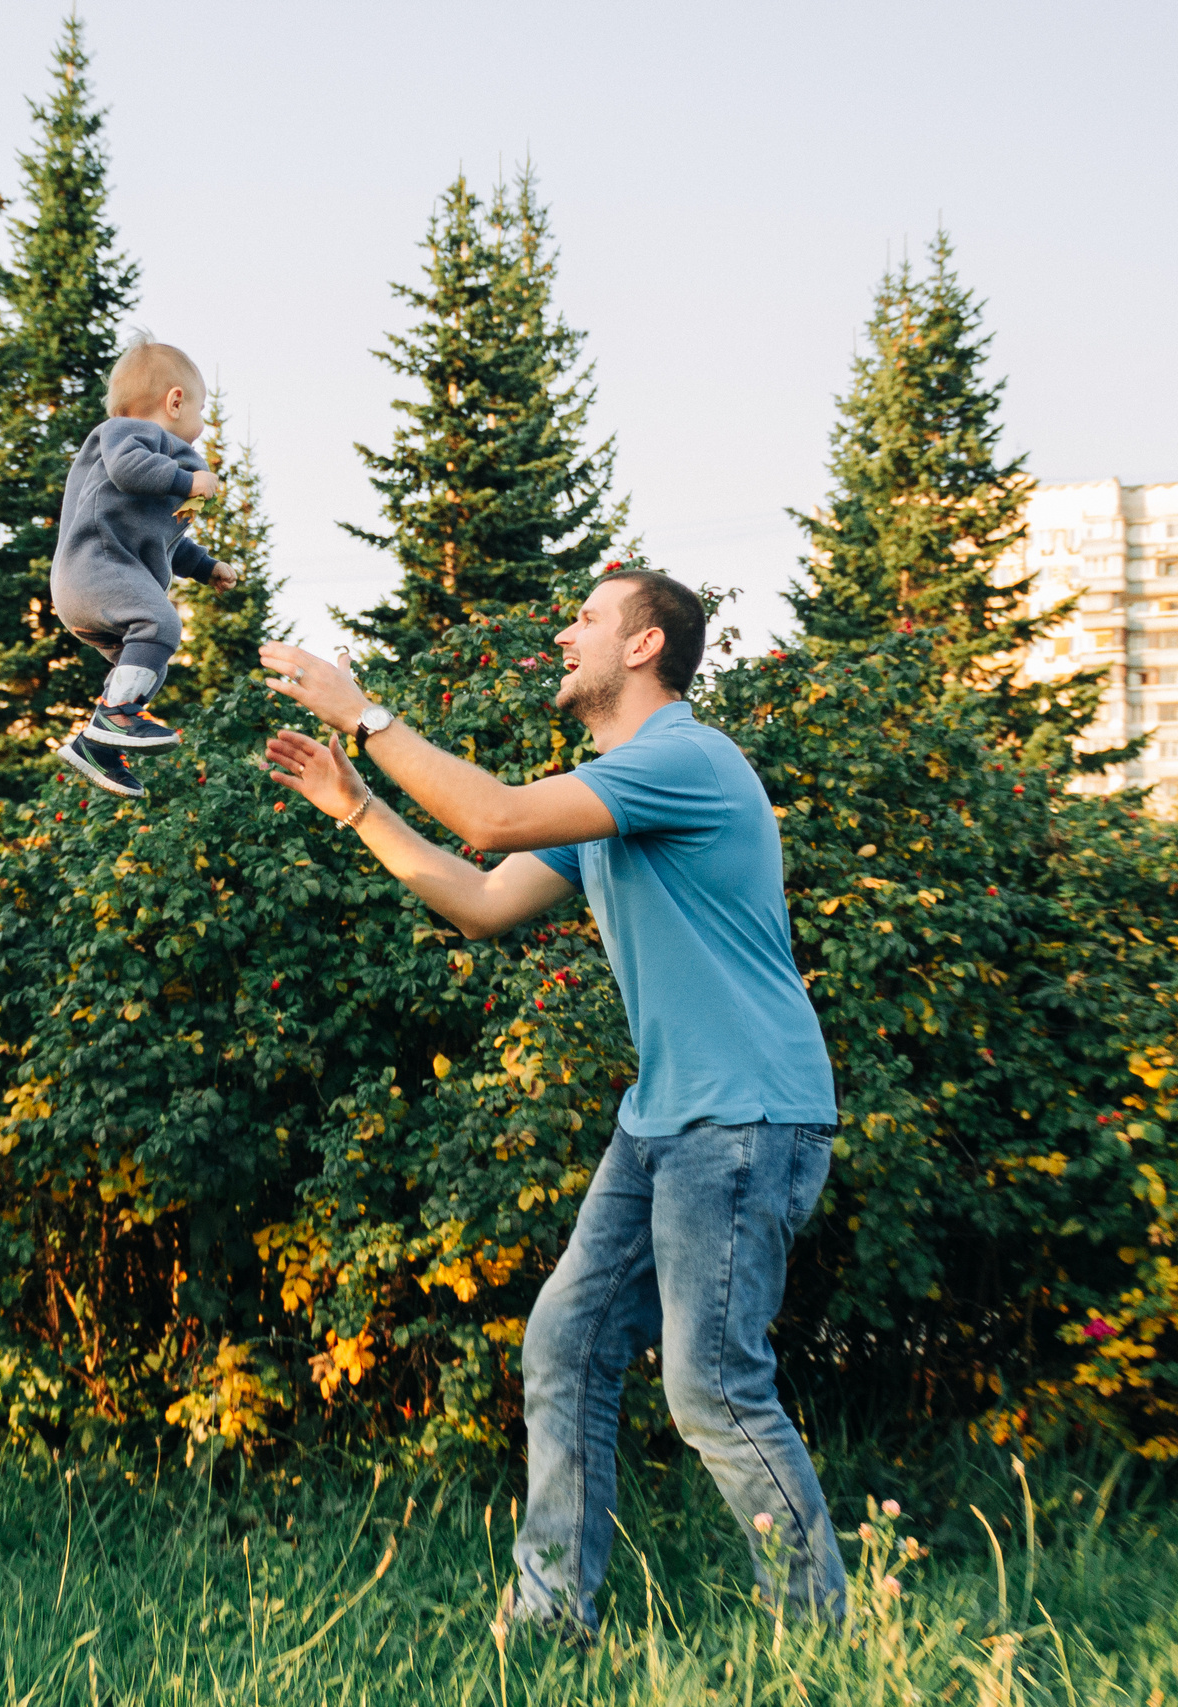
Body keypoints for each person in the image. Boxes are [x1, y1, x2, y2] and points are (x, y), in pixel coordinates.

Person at [258, 569, 845, 1634]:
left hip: (747, 1115)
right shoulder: (613, 790)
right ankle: (550, 1615)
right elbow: (482, 898)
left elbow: (490, 819)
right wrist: (357, 807)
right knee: (564, 1345)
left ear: (642, 645)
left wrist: (364, 712)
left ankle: (825, 1630)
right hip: (663, 1117)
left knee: (711, 1388)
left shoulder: (684, 760)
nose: (562, 630)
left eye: (585, 617)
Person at [48, 334, 242, 800]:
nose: (200, 425)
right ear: (175, 401)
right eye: (199, 411)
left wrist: (207, 566)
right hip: (96, 569)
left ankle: (98, 748)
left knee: (150, 661)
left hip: (98, 583)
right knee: (161, 623)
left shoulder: (151, 466)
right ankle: (114, 716)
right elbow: (128, 469)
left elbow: (165, 541)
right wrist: (187, 478)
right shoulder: (125, 433)